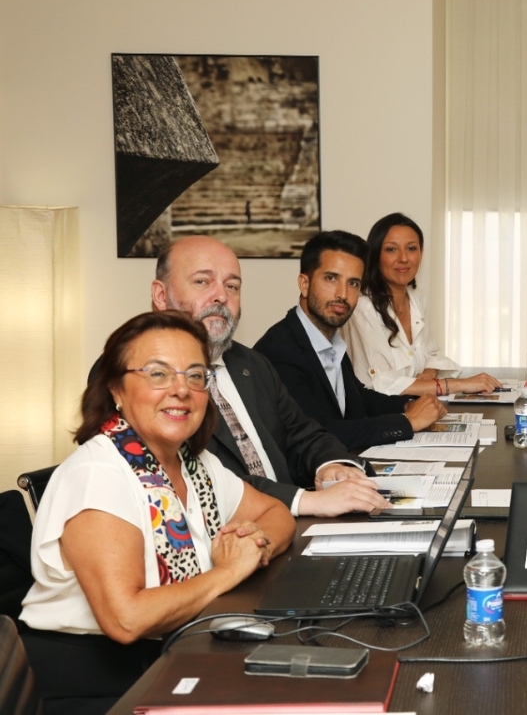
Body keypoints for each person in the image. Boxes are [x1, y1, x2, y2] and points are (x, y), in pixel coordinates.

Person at [20, 311, 295, 715]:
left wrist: (251, 542)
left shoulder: (196, 464)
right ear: (116, 388)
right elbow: (127, 620)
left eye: (195, 375)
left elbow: (276, 512)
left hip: (175, 652)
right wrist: (228, 572)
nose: (181, 389)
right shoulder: (98, 474)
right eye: (158, 374)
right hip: (95, 682)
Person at [150, 235, 390, 516]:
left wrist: (332, 466)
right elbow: (195, 479)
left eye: (232, 286)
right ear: (161, 295)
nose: (221, 296)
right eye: (202, 281)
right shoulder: (137, 375)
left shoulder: (250, 362)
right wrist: (304, 501)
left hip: (289, 528)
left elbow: (303, 433)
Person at [254, 231, 448, 453]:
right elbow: (317, 433)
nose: (343, 294)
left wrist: (407, 405)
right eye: (331, 278)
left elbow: (357, 398)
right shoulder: (280, 351)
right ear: (304, 284)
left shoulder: (329, 338)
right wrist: (408, 422)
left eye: (353, 283)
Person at [344, 212, 500, 396]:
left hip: (418, 406)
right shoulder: (362, 307)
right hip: (379, 416)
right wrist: (455, 385)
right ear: (376, 254)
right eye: (391, 249)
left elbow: (431, 354)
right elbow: (381, 382)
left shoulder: (416, 298)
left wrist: (430, 373)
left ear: (421, 253)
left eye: (411, 248)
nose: (403, 258)